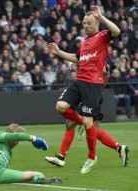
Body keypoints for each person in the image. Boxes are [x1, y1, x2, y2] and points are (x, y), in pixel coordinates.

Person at [47, 5, 120, 174]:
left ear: (96, 24)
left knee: (88, 122)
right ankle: (81, 123)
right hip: (79, 81)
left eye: (88, 23)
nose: (85, 26)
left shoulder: (102, 36)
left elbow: (116, 32)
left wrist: (101, 17)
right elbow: (77, 58)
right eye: (84, 24)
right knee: (60, 106)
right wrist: (58, 52)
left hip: (93, 84)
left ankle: (92, 156)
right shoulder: (84, 42)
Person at [0, 100, 62, 185]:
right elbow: (18, 136)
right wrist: (34, 139)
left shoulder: (9, 152)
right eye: (17, 140)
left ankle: (39, 180)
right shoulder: (1, 136)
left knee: (36, 174)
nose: (17, 142)